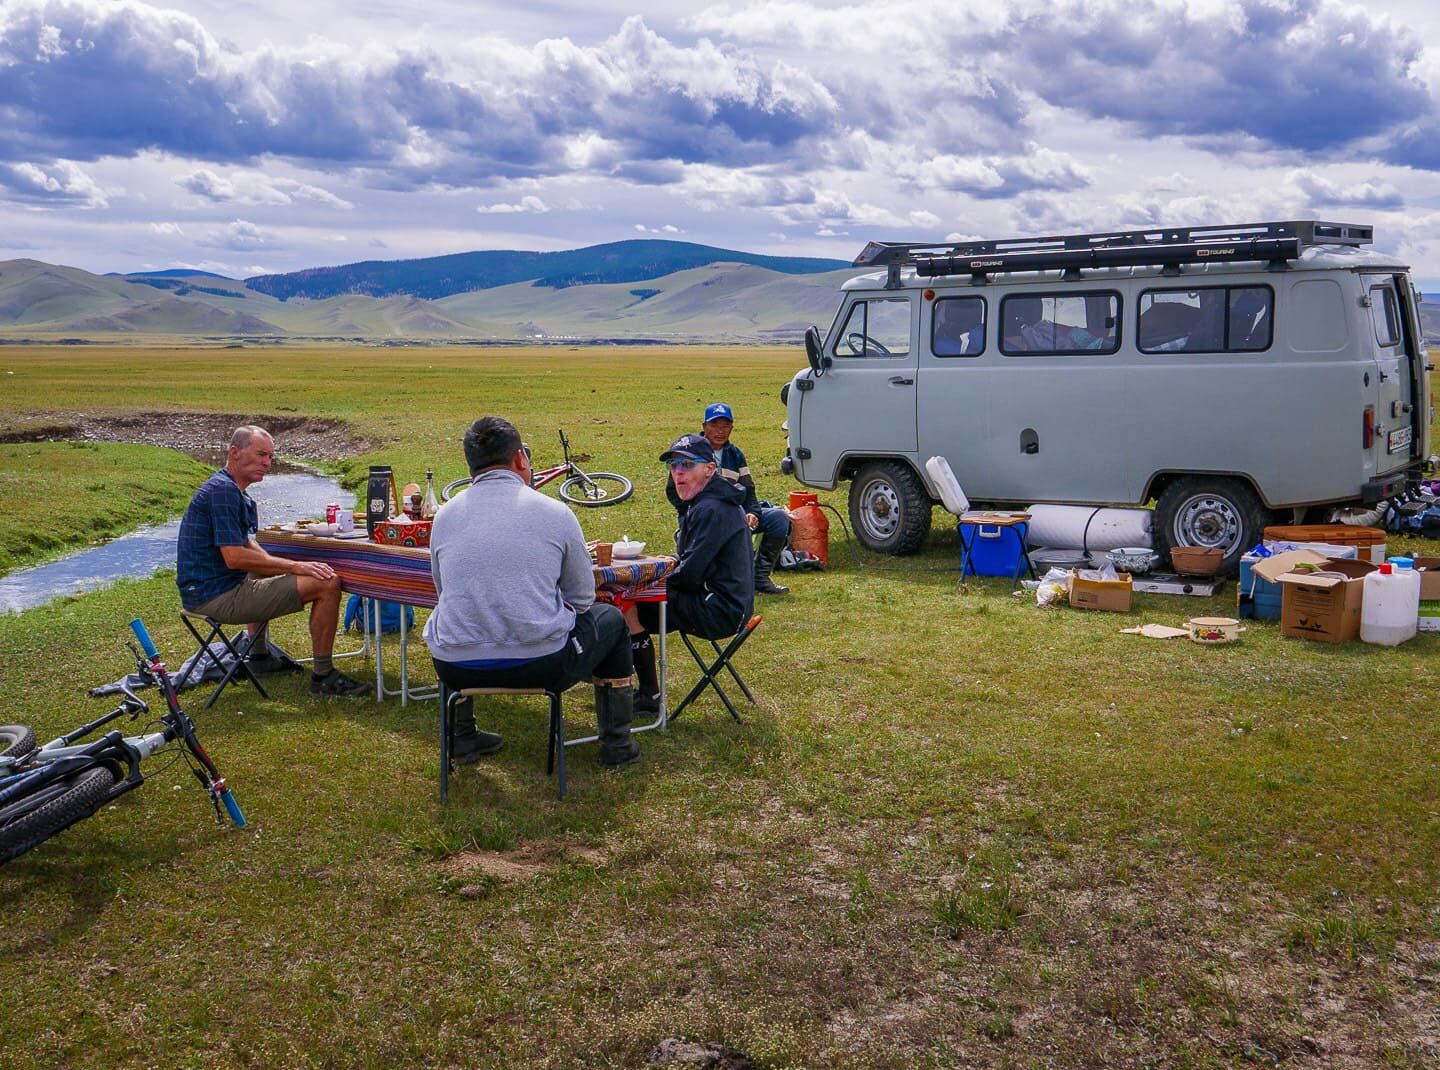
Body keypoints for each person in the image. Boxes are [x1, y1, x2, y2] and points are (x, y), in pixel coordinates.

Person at [423, 416, 639, 768]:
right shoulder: (555, 512)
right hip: (542, 664)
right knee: (612, 620)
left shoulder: (444, 517)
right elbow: (583, 598)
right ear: (520, 458)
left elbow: (444, 591)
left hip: (455, 667)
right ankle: (617, 744)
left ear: (470, 465)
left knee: (455, 623)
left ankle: (461, 738)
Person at [176, 425, 369, 697]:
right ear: (235, 452)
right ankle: (323, 677)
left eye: (270, 456)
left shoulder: (228, 487)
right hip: (214, 596)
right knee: (327, 582)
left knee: (263, 567)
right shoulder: (224, 492)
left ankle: (259, 657)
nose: (267, 463)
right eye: (260, 455)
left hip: (203, 590)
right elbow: (235, 558)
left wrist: (277, 563)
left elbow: (246, 544)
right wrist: (295, 566)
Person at [628, 432, 754, 715]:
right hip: (731, 603)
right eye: (673, 465)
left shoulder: (711, 508)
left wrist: (647, 580)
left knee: (625, 604)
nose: (678, 472)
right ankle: (632, 684)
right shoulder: (709, 501)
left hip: (720, 611)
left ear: (709, 469)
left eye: (687, 465)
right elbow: (692, 561)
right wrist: (663, 567)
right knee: (633, 599)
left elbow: (689, 577)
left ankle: (647, 694)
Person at [668, 402, 793, 596]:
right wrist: (694, 511)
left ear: (732, 428)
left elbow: (748, 489)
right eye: (714, 425)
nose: (720, 431)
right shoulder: (689, 451)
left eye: (725, 426)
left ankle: (760, 577)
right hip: (702, 515)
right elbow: (674, 492)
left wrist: (752, 512)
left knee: (778, 518)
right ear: (704, 426)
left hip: (735, 513)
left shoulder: (735, 455)